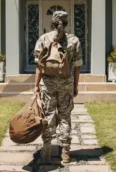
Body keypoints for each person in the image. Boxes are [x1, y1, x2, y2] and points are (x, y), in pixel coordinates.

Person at [33, 10, 83, 163]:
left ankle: (46, 151)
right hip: (66, 84)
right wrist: (75, 86)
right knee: (65, 117)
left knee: (47, 116)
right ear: (66, 23)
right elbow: (77, 67)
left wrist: (36, 86)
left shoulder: (44, 38)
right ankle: (66, 153)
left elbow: (39, 66)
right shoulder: (74, 40)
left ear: (52, 23)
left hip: (47, 85)